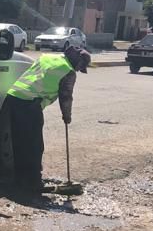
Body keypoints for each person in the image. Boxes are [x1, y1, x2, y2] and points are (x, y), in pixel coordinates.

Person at [6, 45, 90, 192]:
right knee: (34, 145)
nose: (78, 70)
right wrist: (67, 116)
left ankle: (19, 179)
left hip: (13, 97)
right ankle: (33, 182)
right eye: (80, 67)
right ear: (78, 62)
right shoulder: (68, 71)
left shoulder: (48, 58)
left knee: (19, 141)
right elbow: (66, 97)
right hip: (29, 103)